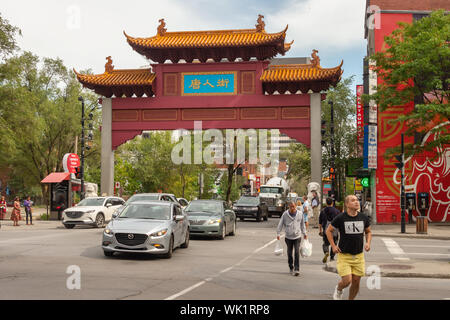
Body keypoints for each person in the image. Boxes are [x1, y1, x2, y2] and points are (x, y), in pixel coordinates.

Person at [326, 195, 372, 300]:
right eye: (353, 200)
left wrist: (368, 243)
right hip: (344, 256)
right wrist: (333, 246)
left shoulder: (363, 217)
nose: (356, 202)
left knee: (356, 282)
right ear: (347, 204)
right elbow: (329, 231)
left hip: (359, 256)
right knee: (347, 281)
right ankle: (339, 288)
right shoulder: (341, 217)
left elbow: (368, 232)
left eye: (357, 200)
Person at [276, 201, 308, 277]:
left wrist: (305, 233)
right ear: (289, 207)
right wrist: (278, 233)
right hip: (288, 237)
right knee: (289, 253)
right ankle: (291, 266)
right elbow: (280, 224)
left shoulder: (300, 214)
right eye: (291, 207)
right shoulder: (285, 214)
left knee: (297, 252)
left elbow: (302, 224)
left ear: (296, 206)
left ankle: (297, 269)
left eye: (294, 206)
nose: (292, 208)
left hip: (297, 236)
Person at [319, 197, 340, 263]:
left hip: (326, 230)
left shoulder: (323, 211)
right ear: (332, 203)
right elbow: (340, 221)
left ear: (326, 203)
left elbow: (320, 222)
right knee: (334, 243)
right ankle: (332, 257)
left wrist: (320, 230)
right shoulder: (337, 211)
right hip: (335, 229)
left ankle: (326, 252)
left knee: (325, 243)